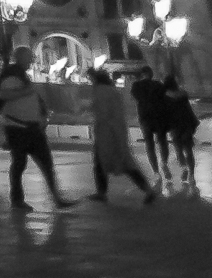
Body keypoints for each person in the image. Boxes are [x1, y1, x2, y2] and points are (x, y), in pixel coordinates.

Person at [0, 53, 74, 210]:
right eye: (29, 58)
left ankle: (57, 199)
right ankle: (18, 200)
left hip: (32, 128)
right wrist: (26, 92)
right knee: (19, 164)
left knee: (44, 163)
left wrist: (41, 113)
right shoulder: (12, 76)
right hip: (18, 128)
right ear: (20, 59)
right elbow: (2, 95)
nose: (32, 61)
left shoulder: (22, 76)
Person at [86, 68, 160, 204]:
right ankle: (147, 190)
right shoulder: (113, 91)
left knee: (107, 163)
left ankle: (102, 192)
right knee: (122, 163)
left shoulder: (99, 92)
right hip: (117, 132)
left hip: (106, 134)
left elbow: (102, 113)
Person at [128, 65, 170, 176]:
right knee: (162, 141)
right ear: (150, 74)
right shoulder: (158, 85)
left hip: (145, 117)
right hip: (159, 117)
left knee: (149, 144)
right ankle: (164, 163)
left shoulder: (136, 86)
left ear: (142, 74)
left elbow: (135, 98)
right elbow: (165, 99)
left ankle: (156, 172)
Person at [161, 74, 201, 187]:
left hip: (174, 125)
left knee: (178, 150)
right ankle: (191, 174)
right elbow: (187, 109)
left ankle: (184, 168)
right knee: (188, 150)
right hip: (186, 123)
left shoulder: (165, 96)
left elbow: (165, 112)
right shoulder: (183, 94)